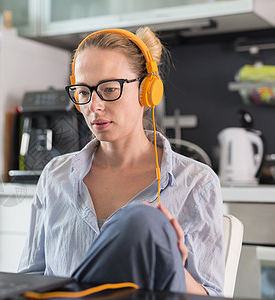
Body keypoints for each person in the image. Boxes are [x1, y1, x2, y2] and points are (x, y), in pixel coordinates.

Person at [18, 27, 224, 296]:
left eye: (109, 89)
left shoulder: (197, 182)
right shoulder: (55, 176)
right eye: (83, 92)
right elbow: (30, 279)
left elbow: (213, 295)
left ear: (146, 90)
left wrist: (172, 265)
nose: (94, 106)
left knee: (142, 221)